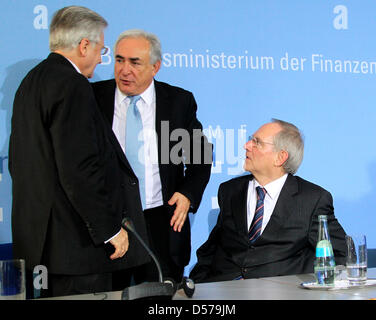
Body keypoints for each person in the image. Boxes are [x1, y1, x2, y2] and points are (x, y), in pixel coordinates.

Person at [8, 6, 149, 298]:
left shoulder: (31, 82)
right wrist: (109, 229)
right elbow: (79, 169)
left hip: (44, 245)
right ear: (84, 45)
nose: (101, 57)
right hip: (78, 249)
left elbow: (21, 164)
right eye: (102, 48)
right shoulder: (72, 86)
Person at [92, 29, 212, 286]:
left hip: (161, 222)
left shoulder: (177, 102)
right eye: (119, 59)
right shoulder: (94, 98)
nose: (125, 70)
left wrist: (188, 193)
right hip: (111, 223)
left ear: (155, 67)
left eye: (135, 62)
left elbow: (199, 158)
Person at [189, 119, 347, 283]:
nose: (247, 145)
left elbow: (341, 254)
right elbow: (212, 249)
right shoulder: (230, 191)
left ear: (280, 157)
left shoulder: (312, 199)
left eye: (257, 142)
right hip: (225, 290)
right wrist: (197, 286)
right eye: (251, 139)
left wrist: (300, 284)